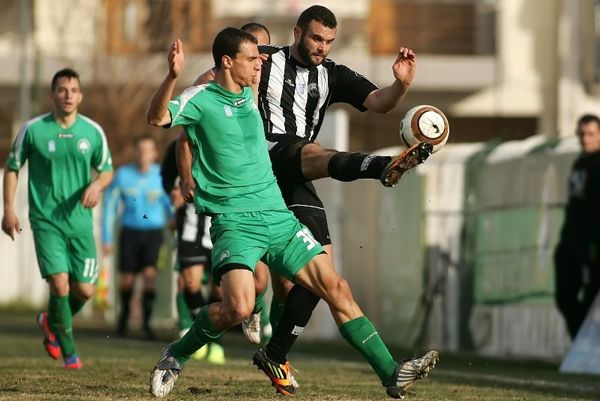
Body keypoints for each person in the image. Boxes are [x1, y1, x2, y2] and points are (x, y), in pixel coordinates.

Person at [147, 28, 437, 399]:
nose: (260, 63)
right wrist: (172, 77)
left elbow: (373, 100)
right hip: (235, 222)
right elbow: (158, 119)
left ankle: (390, 374)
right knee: (238, 307)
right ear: (227, 62)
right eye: (253, 59)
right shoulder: (200, 99)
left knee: (336, 287)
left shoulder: (250, 94)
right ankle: (176, 354)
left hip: (278, 218)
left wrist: (399, 87)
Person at [1, 68, 113, 369]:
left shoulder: (92, 132)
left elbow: (106, 170)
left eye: (73, 90)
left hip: (80, 222)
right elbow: (12, 167)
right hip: (45, 219)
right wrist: (8, 209)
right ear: (53, 94)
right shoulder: (33, 130)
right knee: (60, 285)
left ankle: (51, 322)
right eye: (62, 90)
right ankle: (70, 352)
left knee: (85, 290)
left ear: (80, 96)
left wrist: (96, 185)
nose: (68, 95)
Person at [161, 138, 228, 364]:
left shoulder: (224, 138)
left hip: (220, 226)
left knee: (220, 291)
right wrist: (172, 191)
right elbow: (167, 176)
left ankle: (215, 341)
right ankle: (206, 339)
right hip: (189, 226)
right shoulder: (179, 145)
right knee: (190, 282)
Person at [102, 134, 171, 340]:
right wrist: (106, 238)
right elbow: (109, 207)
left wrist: (177, 227)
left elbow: (170, 205)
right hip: (129, 233)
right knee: (127, 279)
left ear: (154, 154)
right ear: (134, 152)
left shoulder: (161, 175)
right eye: (139, 150)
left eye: (148, 150)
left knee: (150, 276)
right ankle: (123, 319)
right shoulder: (123, 175)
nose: (143, 155)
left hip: (154, 233)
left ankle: (146, 325)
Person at [554, 114, 600, 339]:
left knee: (591, 297)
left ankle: (585, 343)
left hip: (592, 241)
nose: (585, 139)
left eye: (591, 134)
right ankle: (580, 340)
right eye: (582, 134)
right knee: (564, 296)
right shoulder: (581, 162)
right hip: (572, 238)